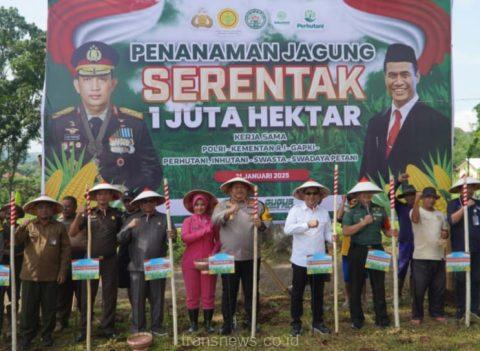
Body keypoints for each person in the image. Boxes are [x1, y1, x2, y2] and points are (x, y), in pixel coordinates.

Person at [47, 41, 162, 191]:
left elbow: (152, 170)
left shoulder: (134, 124)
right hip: (78, 208)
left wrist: (128, 191)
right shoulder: (59, 124)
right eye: (87, 79)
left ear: (113, 84)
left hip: (123, 207)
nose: (95, 87)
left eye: (102, 79)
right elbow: (49, 171)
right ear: (77, 85)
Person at [359, 43, 450, 184]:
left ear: (417, 76)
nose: (398, 82)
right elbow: (365, 173)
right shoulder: (375, 123)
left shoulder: (437, 122)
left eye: (405, 75)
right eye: (392, 75)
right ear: (385, 78)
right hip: (378, 204)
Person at [212, 177, 271, 335]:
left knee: (251, 291)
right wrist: (228, 212)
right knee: (228, 292)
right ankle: (227, 323)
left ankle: (251, 321)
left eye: (242, 188)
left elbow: (268, 221)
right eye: (235, 188)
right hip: (226, 257)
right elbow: (214, 221)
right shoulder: (222, 205)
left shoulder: (258, 205)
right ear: (230, 190)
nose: (239, 190)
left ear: (248, 190)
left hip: (251, 256)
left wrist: (262, 224)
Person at [69, 182, 123, 341]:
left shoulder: (118, 215)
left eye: (106, 193)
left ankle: (108, 328)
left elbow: (123, 236)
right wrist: (79, 214)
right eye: (99, 194)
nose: (102, 196)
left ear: (111, 196)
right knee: (87, 296)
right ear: (94, 197)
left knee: (110, 295)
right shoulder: (87, 214)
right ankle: (85, 329)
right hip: (90, 261)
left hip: (110, 260)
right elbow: (72, 233)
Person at [117, 189, 176, 336]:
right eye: (144, 201)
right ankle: (138, 328)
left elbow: (173, 240)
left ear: (155, 202)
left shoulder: (164, 218)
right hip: (137, 265)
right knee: (137, 299)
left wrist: (172, 235)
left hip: (158, 264)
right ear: (140, 204)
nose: (148, 204)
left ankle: (157, 327)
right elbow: (120, 239)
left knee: (157, 298)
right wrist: (129, 227)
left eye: (151, 201)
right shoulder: (132, 219)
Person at [15, 195, 70, 349]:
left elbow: (65, 251)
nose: (44, 210)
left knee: (49, 308)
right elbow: (16, 241)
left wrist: (62, 271)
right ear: (35, 210)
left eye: (47, 207)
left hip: (51, 275)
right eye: (40, 207)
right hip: (29, 274)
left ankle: (47, 335)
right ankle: (27, 336)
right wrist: (19, 227)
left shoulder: (59, 227)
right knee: (28, 308)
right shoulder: (29, 225)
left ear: (52, 210)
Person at [284, 180, 334, 336]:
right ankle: (296, 324)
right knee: (297, 293)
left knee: (318, 293)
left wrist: (333, 238)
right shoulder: (295, 210)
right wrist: (307, 225)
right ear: (303, 195)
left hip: (319, 258)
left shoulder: (324, 212)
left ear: (319, 196)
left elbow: (327, 233)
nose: (311, 196)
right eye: (308, 193)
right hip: (300, 259)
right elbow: (287, 229)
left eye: (314, 193)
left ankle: (317, 323)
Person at [342, 179, 395, 329]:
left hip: (377, 249)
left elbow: (385, 230)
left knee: (378, 285)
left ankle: (382, 319)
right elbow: (346, 232)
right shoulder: (351, 211)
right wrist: (363, 223)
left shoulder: (380, 209)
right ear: (358, 195)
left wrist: (391, 233)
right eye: (363, 194)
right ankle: (357, 320)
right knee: (356, 286)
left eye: (369, 193)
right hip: (357, 250)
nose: (366, 196)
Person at [181, 190, 220, 333]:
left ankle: (208, 324)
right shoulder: (187, 221)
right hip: (190, 262)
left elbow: (219, 240)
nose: (199, 207)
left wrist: (213, 254)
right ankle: (193, 325)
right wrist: (204, 231)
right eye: (196, 204)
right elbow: (185, 238)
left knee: (208, 293)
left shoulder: (213, 221)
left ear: (206, 205)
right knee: (192, 294)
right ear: (192, 206)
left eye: (202, 204)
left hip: (208, 261)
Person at [410, 187, 448, 324]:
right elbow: (414, 219)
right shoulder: (416, 211)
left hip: (438, 257)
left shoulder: (441, 215)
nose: (431, 200)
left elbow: (445, 231)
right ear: (423, 199)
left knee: (438, 288)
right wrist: (416, 201)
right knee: (419, 289)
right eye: (428, 197)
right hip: (420, 257)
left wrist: (445, 234)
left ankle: (436, 313)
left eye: (433, 197)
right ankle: (417, 316)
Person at [447, 177, 480, 320]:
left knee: (476, 279)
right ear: (460, 190)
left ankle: (474, 309)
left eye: (472, 187)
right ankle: (461, 309)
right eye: (466, 187)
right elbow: (452, 220)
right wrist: (464, 208)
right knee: (460, 279)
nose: (469, 189)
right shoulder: (453, 203)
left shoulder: (479, 204)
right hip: (458, 249)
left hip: (477, 249)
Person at [56, 196, 85, 331]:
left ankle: (84, 321)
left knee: (82, 292)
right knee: (63, 293)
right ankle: (62, 320)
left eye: (68, 206)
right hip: (64, 261)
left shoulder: (83, 220)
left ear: (74, 207)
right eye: (63, 206)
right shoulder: (57, 223)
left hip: (81, 259)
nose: (65, 208)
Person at [0, 203, 24, 337]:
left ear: (19, 215)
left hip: (16, 268)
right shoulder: (1, 229)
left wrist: (10, 251)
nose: (10, 215)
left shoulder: (21, 230)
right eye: (7, 212)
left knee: (14, 296)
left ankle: (12, 324)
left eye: (14, 213)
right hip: (2, 267)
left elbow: (22, 248)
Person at [394, 174, 416, 298]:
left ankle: (414, 297)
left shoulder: (420, 208)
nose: (410, 197)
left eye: (412, 195)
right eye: (407, 195)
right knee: (401, 269)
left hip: (418, 243)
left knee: (416, 270)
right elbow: (389, 196)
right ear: (405, 197)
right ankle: (398, 295)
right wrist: (397, 182)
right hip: (404, 243)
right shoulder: (400, 207)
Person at [118, 190, 139, 302]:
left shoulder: (142, 214)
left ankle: (142, 309)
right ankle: (134, 310)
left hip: (139, 252)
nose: (127, 203)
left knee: (142, 283)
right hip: (124, 254)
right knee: (129, 284)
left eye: (130, 200)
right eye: (125, 201)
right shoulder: (120, 216)